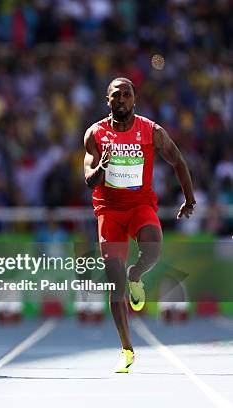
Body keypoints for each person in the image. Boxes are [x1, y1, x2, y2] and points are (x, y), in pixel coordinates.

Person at [83, 77, 195, 373]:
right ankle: (127, 349)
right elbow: (88, 178)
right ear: (107, 101)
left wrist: (190, 199)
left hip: (140, 206)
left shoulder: (151, 131)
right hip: (109, 211)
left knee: (153, 250)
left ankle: (137, 273)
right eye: (115, 95)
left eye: (127, 94)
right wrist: (101, 167)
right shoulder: (95, 133)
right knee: (115, 282)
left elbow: (178, 161)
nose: (121, 99)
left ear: (135, 99)